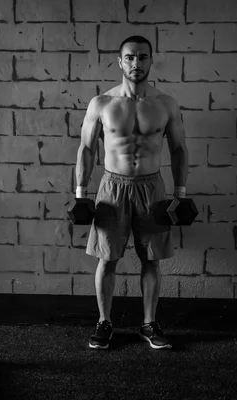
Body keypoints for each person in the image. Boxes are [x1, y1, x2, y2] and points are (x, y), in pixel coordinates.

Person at [75, 35, 188, 350]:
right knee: (106, 258)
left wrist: (180, 192)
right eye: (130, 57)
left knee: (151, 259)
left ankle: (149, 324)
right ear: (119, 60)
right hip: (112, 187)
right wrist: (81, 193)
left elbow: (179, 149)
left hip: (152, 187)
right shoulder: (102, 103)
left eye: (142, 57)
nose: (136, 63)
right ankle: (104, 323)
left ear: (151, 60)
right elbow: (86, 148)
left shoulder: (166, 104)